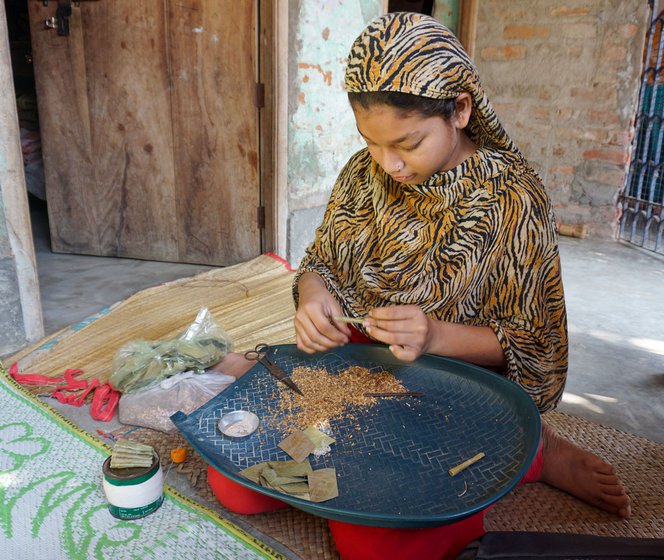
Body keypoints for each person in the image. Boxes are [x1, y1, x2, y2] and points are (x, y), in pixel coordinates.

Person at [291, 11, 631, 558]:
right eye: (372, 142)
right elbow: (321, 262)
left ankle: (538, 452)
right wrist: (314, 296)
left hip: (460, 381)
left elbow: (532, 344)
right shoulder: (364, 173)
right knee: (248, 479)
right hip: (368, 365)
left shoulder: (512, 197)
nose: (390, 164)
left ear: (462, 109)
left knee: (377, 545)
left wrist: (434, 336)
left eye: (409, 142)